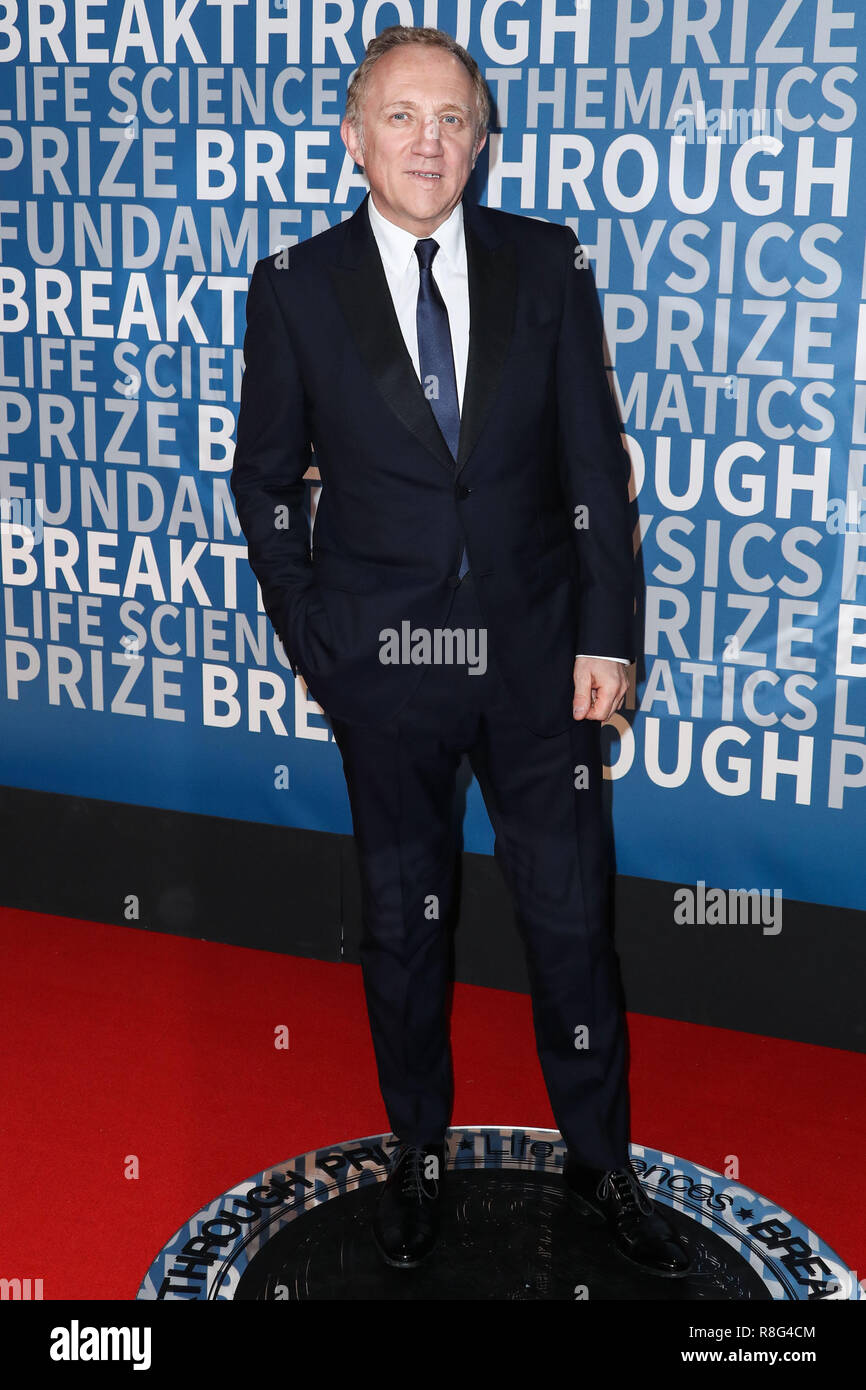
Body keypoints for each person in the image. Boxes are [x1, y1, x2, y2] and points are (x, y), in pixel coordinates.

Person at [231, 24, 690, 1279]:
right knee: (402, 926)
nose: (428, 142)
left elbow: (594, 470)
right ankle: (416, 1163)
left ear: (482, 140)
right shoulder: (296, 286)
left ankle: (602, 1169)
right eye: (401, 117)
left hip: (541, 667)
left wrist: (608, 636)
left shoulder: (545, 265)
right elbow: (264, 481)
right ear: (353, 137)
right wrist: (313, 635)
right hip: (382, 675)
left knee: (569, 924)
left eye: (452, 119)